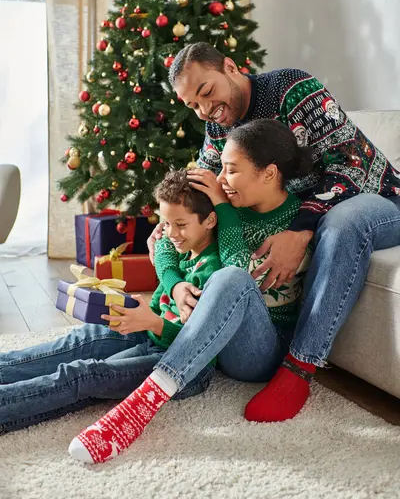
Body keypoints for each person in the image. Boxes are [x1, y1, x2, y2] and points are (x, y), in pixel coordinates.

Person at [149, 41, 400, 424]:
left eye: (206, 92)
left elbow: (351, 166)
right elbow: (203, 182)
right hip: (307, 211)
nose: (204, 110)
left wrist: (299, 231)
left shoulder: (293, 90)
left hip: (380, 200)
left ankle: (300, 367)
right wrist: (168, 225)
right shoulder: (218, 125)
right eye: (193, 106)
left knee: (343, 222)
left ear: (231, 68)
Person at [69, 119, 314, 464]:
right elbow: (166, 239)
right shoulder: (229, 205)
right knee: (88, 347)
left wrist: (224, 208)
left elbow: (241, 274)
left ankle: (148, 399)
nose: (220, 179)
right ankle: (152, 390)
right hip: (211, 339)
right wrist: (175, 283)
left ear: (269, 174)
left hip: (258, 350)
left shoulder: (300, 219)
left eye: (231, 170)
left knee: (232, 279)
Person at [0, 170, 221, 439]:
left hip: (182, 363)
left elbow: (200, 345)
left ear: (210, 220)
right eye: (165, 224)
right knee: (77, 342)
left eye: (181, 225)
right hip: (151, 331)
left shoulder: (214, 274)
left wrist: (152, 321)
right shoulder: (176, 249)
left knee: (84, 375)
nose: (170, 234)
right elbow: (162, 270)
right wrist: (140, 315)